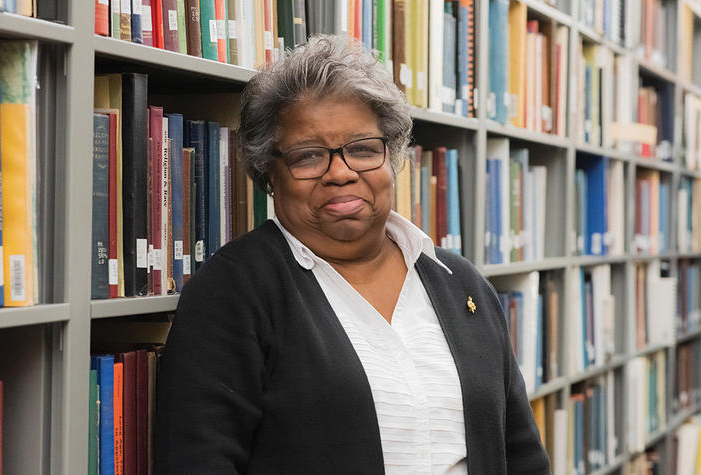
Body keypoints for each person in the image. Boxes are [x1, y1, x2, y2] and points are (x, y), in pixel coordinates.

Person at [155, 35, 550, 474]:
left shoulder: (461, 282)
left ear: (392, 156)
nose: (341, 173)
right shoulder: (233, 292)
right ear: (270, 172)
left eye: (362, 149)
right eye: (309, 157)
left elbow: (521, 454)